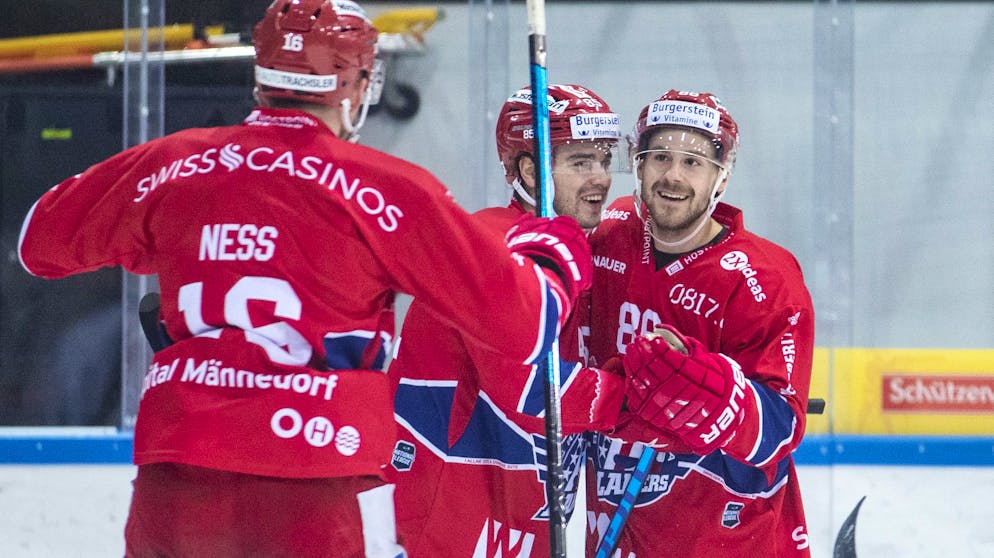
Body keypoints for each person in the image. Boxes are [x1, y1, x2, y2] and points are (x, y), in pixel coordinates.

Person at [16, 2, 594, 557]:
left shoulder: (177, 163)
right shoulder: (385, 187)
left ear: (261, 73)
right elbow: (524, 325)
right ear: (358, 84)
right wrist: (552, 255)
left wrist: (178, 234)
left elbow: (39, 241)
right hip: (316, 484)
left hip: (177, 480)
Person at [388, 84, 625, 557]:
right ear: (531, 170)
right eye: (580, 162)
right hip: (446, 511)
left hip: (515, 513)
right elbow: (530, 391)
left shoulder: (573, 253)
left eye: (604, 159)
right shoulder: (498, 246)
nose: (600, 178)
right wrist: (641, 396)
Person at [583, 90, 815, 557]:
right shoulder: (603, 238)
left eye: (693, 162)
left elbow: (781, 429)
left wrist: (714, 393)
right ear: (638, 165)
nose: (672, 175)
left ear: (720, 178)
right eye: (660, 157)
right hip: (617, 522)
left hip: (726, 538)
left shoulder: (764, 279)